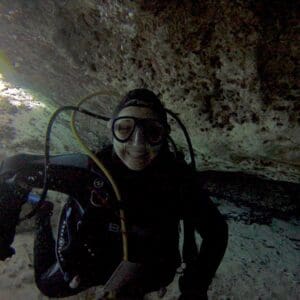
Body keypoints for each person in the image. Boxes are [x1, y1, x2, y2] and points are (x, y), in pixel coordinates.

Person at [0, 89, 228, 299]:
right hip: (86, 262)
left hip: (146, 271)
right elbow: (13, 167)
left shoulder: (178, 181)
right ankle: (43, 217)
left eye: (152, 131)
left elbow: (216, 231)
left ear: (165, 134)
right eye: (125, 129)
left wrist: (194, 287)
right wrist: (4, 222)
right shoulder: (88, 171)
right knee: (47, 286)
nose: (138, 145)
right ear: (111, 129)